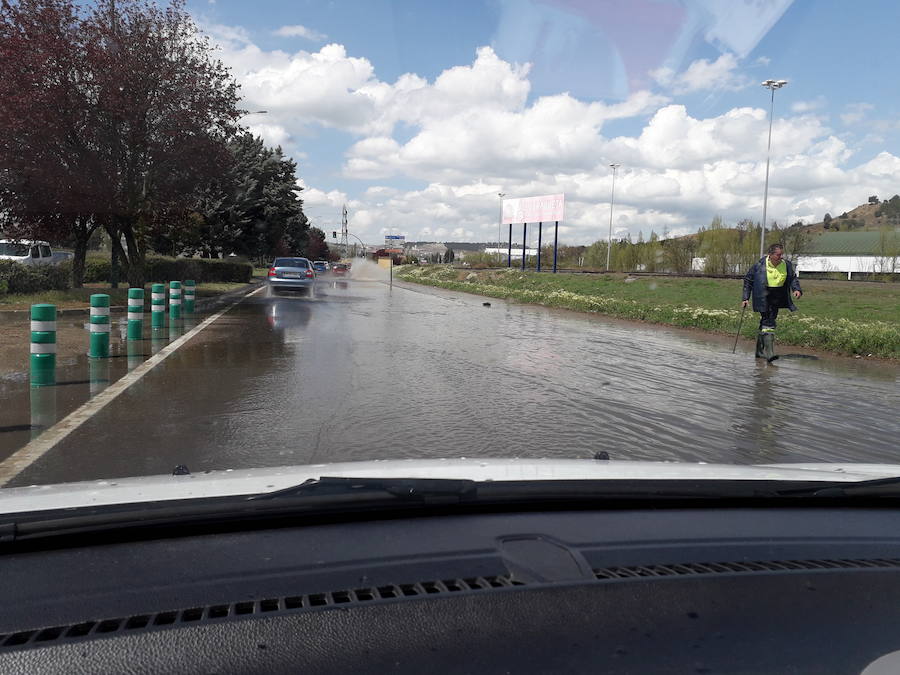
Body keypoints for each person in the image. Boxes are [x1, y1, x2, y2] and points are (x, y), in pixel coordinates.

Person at [741, 243, 802, 362]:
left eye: (781, 254)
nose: (781, 257)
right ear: (770, 255)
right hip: (763, 295)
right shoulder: (759, 265)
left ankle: (759, 351)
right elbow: (748, 280)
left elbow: (793, 278)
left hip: (778, 295)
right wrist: (745, 298)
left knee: (766, 321)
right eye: (778, 255)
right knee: (769, 321)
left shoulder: (787, 265)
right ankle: (769, 353)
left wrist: (796, 289)